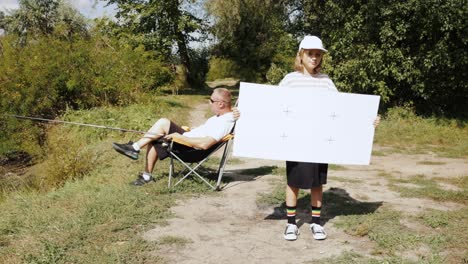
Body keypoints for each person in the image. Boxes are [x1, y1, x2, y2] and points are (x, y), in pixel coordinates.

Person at [112, 88, 235, 186]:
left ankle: (135, 149)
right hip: (187, 138)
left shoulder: (225, 122)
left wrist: (179, 137)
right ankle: (144, 170)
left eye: (211, 100)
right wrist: (190, 130)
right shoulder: (222, 117)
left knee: (163, 123)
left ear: (220, 104)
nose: (209, 103)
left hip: (190, 149)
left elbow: (205, 144)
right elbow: (205, 132)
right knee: (156, 135)